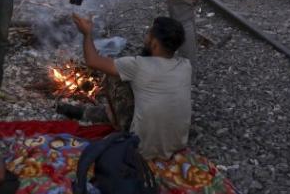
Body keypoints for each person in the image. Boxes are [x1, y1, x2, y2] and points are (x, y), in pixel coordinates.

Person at [59, 14, 192, 160]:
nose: (145, 36)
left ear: (154, 43)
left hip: (140, 149)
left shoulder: (138, 65)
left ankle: (113, 122)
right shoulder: (186, 66)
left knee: (113, 75)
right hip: (178, 145)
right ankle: (99, 114)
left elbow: (92, 60)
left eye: (149, 33)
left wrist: (87, 33)